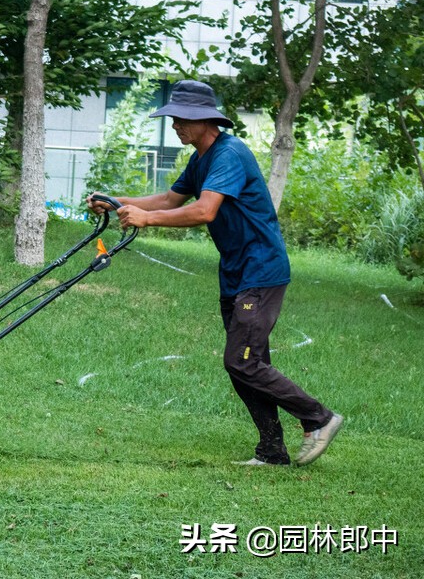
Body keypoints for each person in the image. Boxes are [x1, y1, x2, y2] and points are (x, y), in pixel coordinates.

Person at [86, 79, 342, 467]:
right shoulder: (200, 158)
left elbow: (204, 211)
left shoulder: (228, 154)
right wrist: (116, 202)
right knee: (247, 366)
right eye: (173, 118)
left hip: (261, 270)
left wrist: (147, 219)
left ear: (206, 119)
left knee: (242, 362)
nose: (175, 126)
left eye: (182, 119)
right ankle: (272, 451)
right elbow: (171, 200)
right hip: (236, 272)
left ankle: (318, 418)